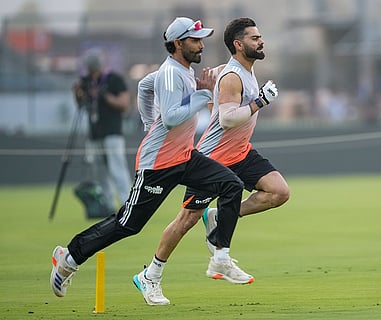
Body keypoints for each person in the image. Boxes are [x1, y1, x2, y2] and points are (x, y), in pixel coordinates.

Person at [50, 17, 250, 305]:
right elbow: (170, 118)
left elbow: (144, 86)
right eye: (195, 40)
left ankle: (221, 256)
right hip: (158, 164)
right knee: (128, 224)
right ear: (178, 43)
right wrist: (203, 94)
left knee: (231, 184)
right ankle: (68, 257)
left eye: (201, 39)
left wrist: (147, 121)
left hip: (184, 156)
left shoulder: (177, 71)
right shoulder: (171, 73)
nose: (201, 45)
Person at [135, 17, 290, 305]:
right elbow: (229, 119)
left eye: (260, 36)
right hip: (215, 156)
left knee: (279, 192)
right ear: (238, 44)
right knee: (186, 220)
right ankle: (151, 275)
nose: (261, 41)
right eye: (255, 38)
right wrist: (261, 102)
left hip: (241, 153)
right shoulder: (232, 76)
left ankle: (220, 216)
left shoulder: (244, 71)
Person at [73, 49, 132, 211]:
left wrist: (104, 95)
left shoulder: (113, 80)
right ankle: (106, 205)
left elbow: (124, 104)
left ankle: (126, 202)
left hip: (113, 132)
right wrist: (78, 92)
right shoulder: (85, 82)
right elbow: (80, 104)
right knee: (100, 171)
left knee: (117, 168)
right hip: (95, 133)